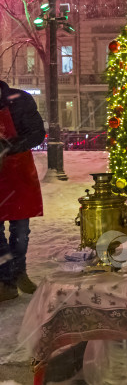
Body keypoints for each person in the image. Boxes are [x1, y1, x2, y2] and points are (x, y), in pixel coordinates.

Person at [0, 80, 45, 301]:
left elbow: (37, 133)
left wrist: (10, 146)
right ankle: (6, 280)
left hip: (18, 172)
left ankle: (19, 273)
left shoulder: (21, 100)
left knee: (20, 230)